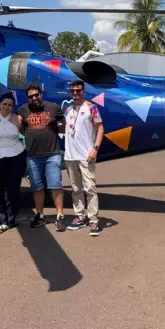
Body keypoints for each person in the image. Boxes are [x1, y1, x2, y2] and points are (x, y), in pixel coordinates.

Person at [18, 83, 67, 231]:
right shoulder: (23, 110)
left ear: (41, 94)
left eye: (36, 95)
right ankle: (40, 216)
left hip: (52, 154)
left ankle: (59, 216)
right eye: (31, 96)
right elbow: (20, 127)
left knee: (55, 186)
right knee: (37, 188)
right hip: (33, 156)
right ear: (28, 98)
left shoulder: (53, 107)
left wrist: (60, 134)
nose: (34, 98)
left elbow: (61, 122)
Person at [63, 80, 104, 236]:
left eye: (78, 90)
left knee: (90, 188)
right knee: (75, 188)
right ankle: (79, 216)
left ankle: (93, 220)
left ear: (83, 91)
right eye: (72, 91)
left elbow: (100, 128)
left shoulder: (91, 108)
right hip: (70, 156)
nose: (75, 93)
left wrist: (95, 149)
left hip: (86, 156)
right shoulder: (68, 110)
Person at [0, 92, 27, 231]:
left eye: (10, 105)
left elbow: (28, 133)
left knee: (13, 189)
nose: (7, 107)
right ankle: (1, 217)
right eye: (4, 104)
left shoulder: (18, 118)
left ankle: (10, 219)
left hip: (16, 155)